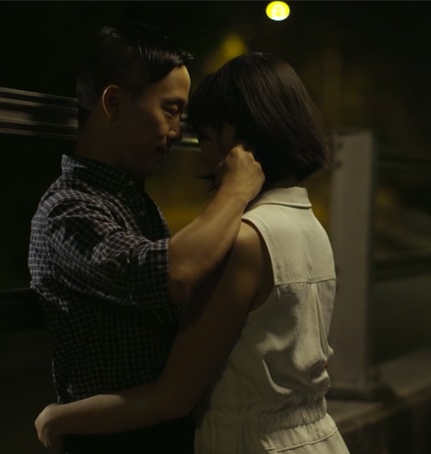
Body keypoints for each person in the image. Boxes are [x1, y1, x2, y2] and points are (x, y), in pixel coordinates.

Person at [34, 51, 351, 453]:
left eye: (202, 136)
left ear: (234, 139)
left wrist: (59, 417)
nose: (194, 149)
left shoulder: (243, 241)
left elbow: (173, 395)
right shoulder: (310, 225)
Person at [28, 24, 264, 454]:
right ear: (114, 103)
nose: (177, 132)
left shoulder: (134, 201)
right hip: (109, 439)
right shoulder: (68, 209)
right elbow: (174, 273)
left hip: (151, 430)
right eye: (170, 110)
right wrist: (235, 190)